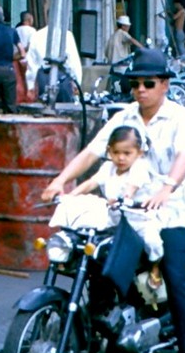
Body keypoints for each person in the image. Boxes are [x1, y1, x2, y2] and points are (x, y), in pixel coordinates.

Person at [41, 47, 185, 353]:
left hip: (171, 211)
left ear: (164, 84)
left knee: (175, 277)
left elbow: (184, 157)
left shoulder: (181, 118)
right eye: (135, 84)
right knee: (94, 268)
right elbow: (92, 152)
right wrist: (61, 181)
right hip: (126, 211)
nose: (141, 90)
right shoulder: (125, 118)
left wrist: (167, 188)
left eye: (149, 83)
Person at [55, 125, 164, 291]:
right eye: (116, 153)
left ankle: (155, 266)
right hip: (114, 218)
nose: (121, 158)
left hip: (140, 219)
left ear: (138, 153)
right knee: (84, 230)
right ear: (109, 151)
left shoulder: (140, 167)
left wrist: (124, 198)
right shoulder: (108, 168)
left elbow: (132, 187)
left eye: (127, 153)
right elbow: (91, 183)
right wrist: (70, 195)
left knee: (152, 241)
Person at [24, 21, 83, 102]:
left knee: (45, 108)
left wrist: (30, 85)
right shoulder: (66, 35)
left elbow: (32, 64)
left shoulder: (37, 35)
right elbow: (73, 61)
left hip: (43, 77)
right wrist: (77, 83)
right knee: (64, 110)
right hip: (63, 77)